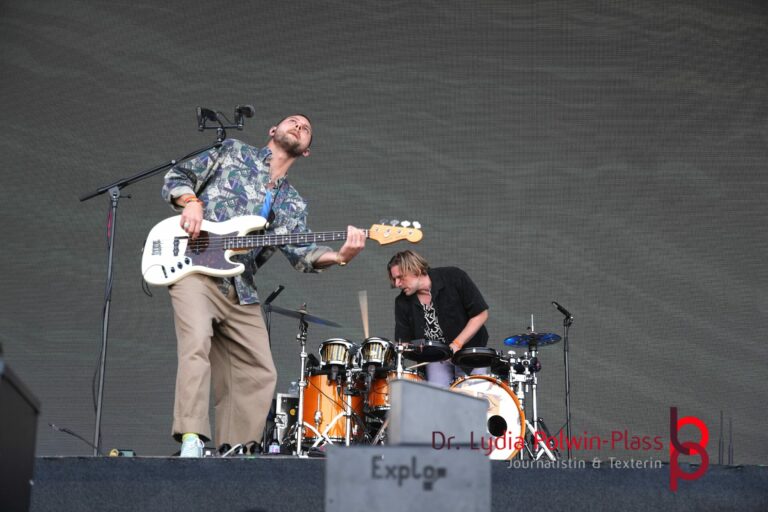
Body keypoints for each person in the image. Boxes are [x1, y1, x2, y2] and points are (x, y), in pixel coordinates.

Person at [161, 114, 366, 457]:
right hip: (193, 268)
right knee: (196, 341)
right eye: (293, 122)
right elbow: (176, 176)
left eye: (307, 129)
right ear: (273, 131)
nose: (300, 126)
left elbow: (303, 254)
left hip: (239, 285)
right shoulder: (231, 152)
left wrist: (342, 255)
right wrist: (192, 203)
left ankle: (236, 449)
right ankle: (192, 438)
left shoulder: (292, 203)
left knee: (260, 370)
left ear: (307, 152)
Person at [388, 250, 489, 387]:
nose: (397, 283)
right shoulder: (402, 302)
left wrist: (456, 345)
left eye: (400, 277)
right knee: (440, 403)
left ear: (415, 270)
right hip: (435, 360)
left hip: (470, 354)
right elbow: (403, 342)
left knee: (474, 401)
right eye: (394, 279)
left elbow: (480, 314)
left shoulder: (454, 277)